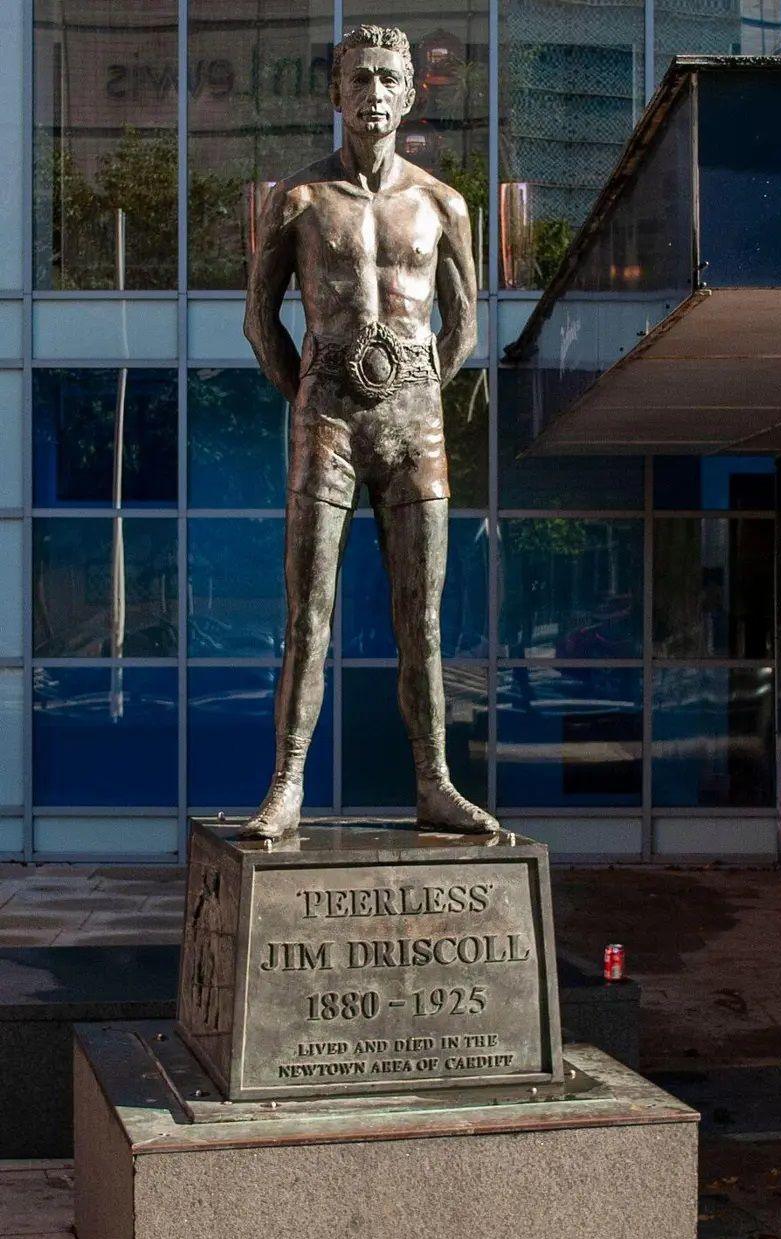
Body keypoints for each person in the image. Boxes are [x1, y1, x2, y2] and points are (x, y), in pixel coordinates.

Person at [242, 23, 498, 839]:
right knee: (306, 613)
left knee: (420, 620)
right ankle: (286, 785)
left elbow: (464, 322)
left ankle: (435, 781)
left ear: (412, 94)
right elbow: (258, 321)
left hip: (414, 430)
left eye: (389, 79)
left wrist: (418, 387)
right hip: (328, 425)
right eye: (360, 81)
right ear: (337, 93)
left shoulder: (443, 204)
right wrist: (313, 391)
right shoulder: (301, 200)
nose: (375, 94)